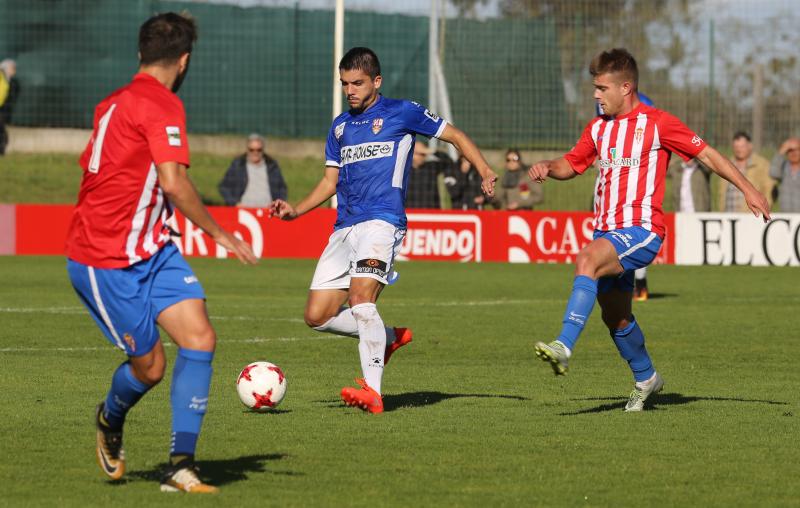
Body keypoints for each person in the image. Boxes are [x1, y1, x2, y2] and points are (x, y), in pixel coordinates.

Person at [65, 13, 257, 493]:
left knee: (200, 339)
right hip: (104, 259)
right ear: (185, 60)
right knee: (150, 366)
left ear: (140, 53)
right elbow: (173, 182)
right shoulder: (162, 104)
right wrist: (219, 233)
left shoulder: (113, 102)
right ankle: (110, 419)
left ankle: (180, 466)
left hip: (152, 248)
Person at [529, 48, 769, 412]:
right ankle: (647, 379)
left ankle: (563, 345)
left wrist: (748, 188)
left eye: (601, 88)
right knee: (617, 317)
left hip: (642, 230)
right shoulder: (598, 128)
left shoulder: (658, 123)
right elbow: (572, 164)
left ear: (625, 87)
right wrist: (549, 165)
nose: (595, 95)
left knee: (587, 260)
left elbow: (707, 154)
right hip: (607, 232)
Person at [271, 47, 497, 414]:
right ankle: (389, 338)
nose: (350, 90)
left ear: (376, 81)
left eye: (357, 83)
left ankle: (373, 391)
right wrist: (295, 210)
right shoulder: (340, 126)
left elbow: (454, 135)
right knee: (317, 316)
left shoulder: (402, 112)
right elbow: (330, 181)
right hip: (344, 226)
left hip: (382, 221)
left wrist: (485, 170)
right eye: (345, 83)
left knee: (362, 300)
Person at [218, 133, 288, 207]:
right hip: (244, 211)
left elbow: (282, 188)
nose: (255, 153)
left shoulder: (272, 165)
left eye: (259, 150)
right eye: (252, 150)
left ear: (263, 150)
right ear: (247, 149)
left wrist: (277, 204)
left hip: (267, 210)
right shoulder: (238, 165)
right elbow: (224, 187)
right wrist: (235, 203)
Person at [718, 131, 774, 212]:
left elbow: (769, 191)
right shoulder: (727, 163)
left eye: (742, 146)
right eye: (736, 146)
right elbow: (721, 193)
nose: (738, 149)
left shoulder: (762, 164)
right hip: (728, 216)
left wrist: (763, 212)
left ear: (750, 146)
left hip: (752, 217)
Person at [405, 142, 443, 209]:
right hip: (409, 213)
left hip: (430, 212)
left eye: (423, 153)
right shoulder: (403, 170)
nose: (421, 156)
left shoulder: (432, 167)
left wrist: (428, 151)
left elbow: (449, 162)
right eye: (417, 153)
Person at [770, 137, 800, 213]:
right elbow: (773, 173)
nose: (793, 153)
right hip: (786, 216)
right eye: (790, 150)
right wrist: (781, 151)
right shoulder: (782, 166)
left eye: (796, 149)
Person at [0, 58, 20, 155]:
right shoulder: (1, 76)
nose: (14, 71)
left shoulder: (7, 79)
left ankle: (1, 150)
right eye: (13, 68)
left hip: (2, 108)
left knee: (2, 130)